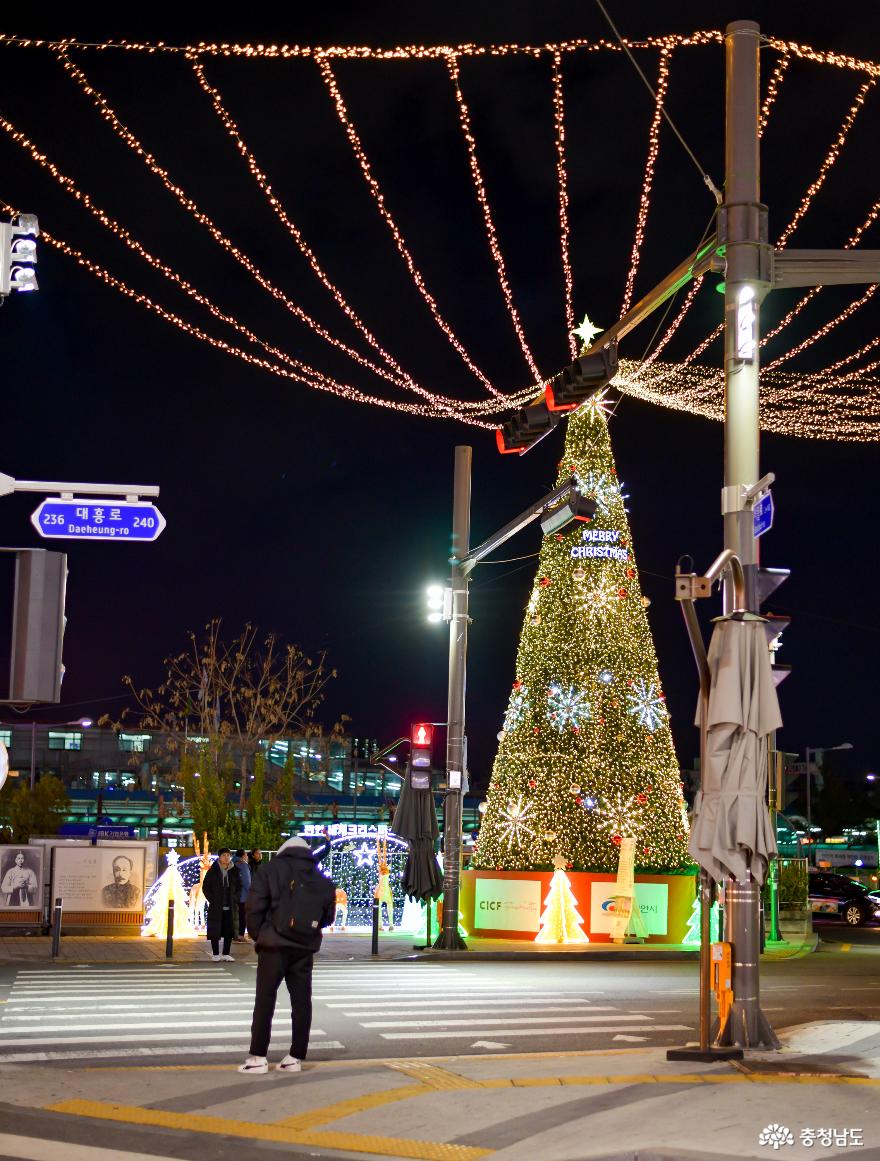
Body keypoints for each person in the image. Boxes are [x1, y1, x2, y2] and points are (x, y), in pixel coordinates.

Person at [238, 837, 336, 1074]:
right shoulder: (320, 878)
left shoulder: (269, 870)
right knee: (301, 1002)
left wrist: (259, 934)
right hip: (304, 948)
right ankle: (295, 1058)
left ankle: (258, 1057)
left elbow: (254, 907)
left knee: (265, 1000)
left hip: (273, 946)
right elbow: (328, 917)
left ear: (283, 851)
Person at [202, 848, 242, 961]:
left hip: (230, 905)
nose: (226, 857)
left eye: (228, 855)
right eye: (224, 855)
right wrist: (213, 900)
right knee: (215, 929)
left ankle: (226, 953)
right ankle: (215, 954)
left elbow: (240, 886)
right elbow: (206, 887)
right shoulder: (213, 870)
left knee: (229, 930)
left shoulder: (234, 870)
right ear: (219, 857)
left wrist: (235, 898)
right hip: (216, 906)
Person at [233, 850, 251, 941]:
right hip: (243, 895)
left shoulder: (232, 864)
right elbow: (247, 882)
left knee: (236, 916)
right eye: (246, 855)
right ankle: (240, 935)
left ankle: (235, 935)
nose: (247, 856)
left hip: (234, 894)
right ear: (243, 856)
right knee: (242, 915)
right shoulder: (243, 865)